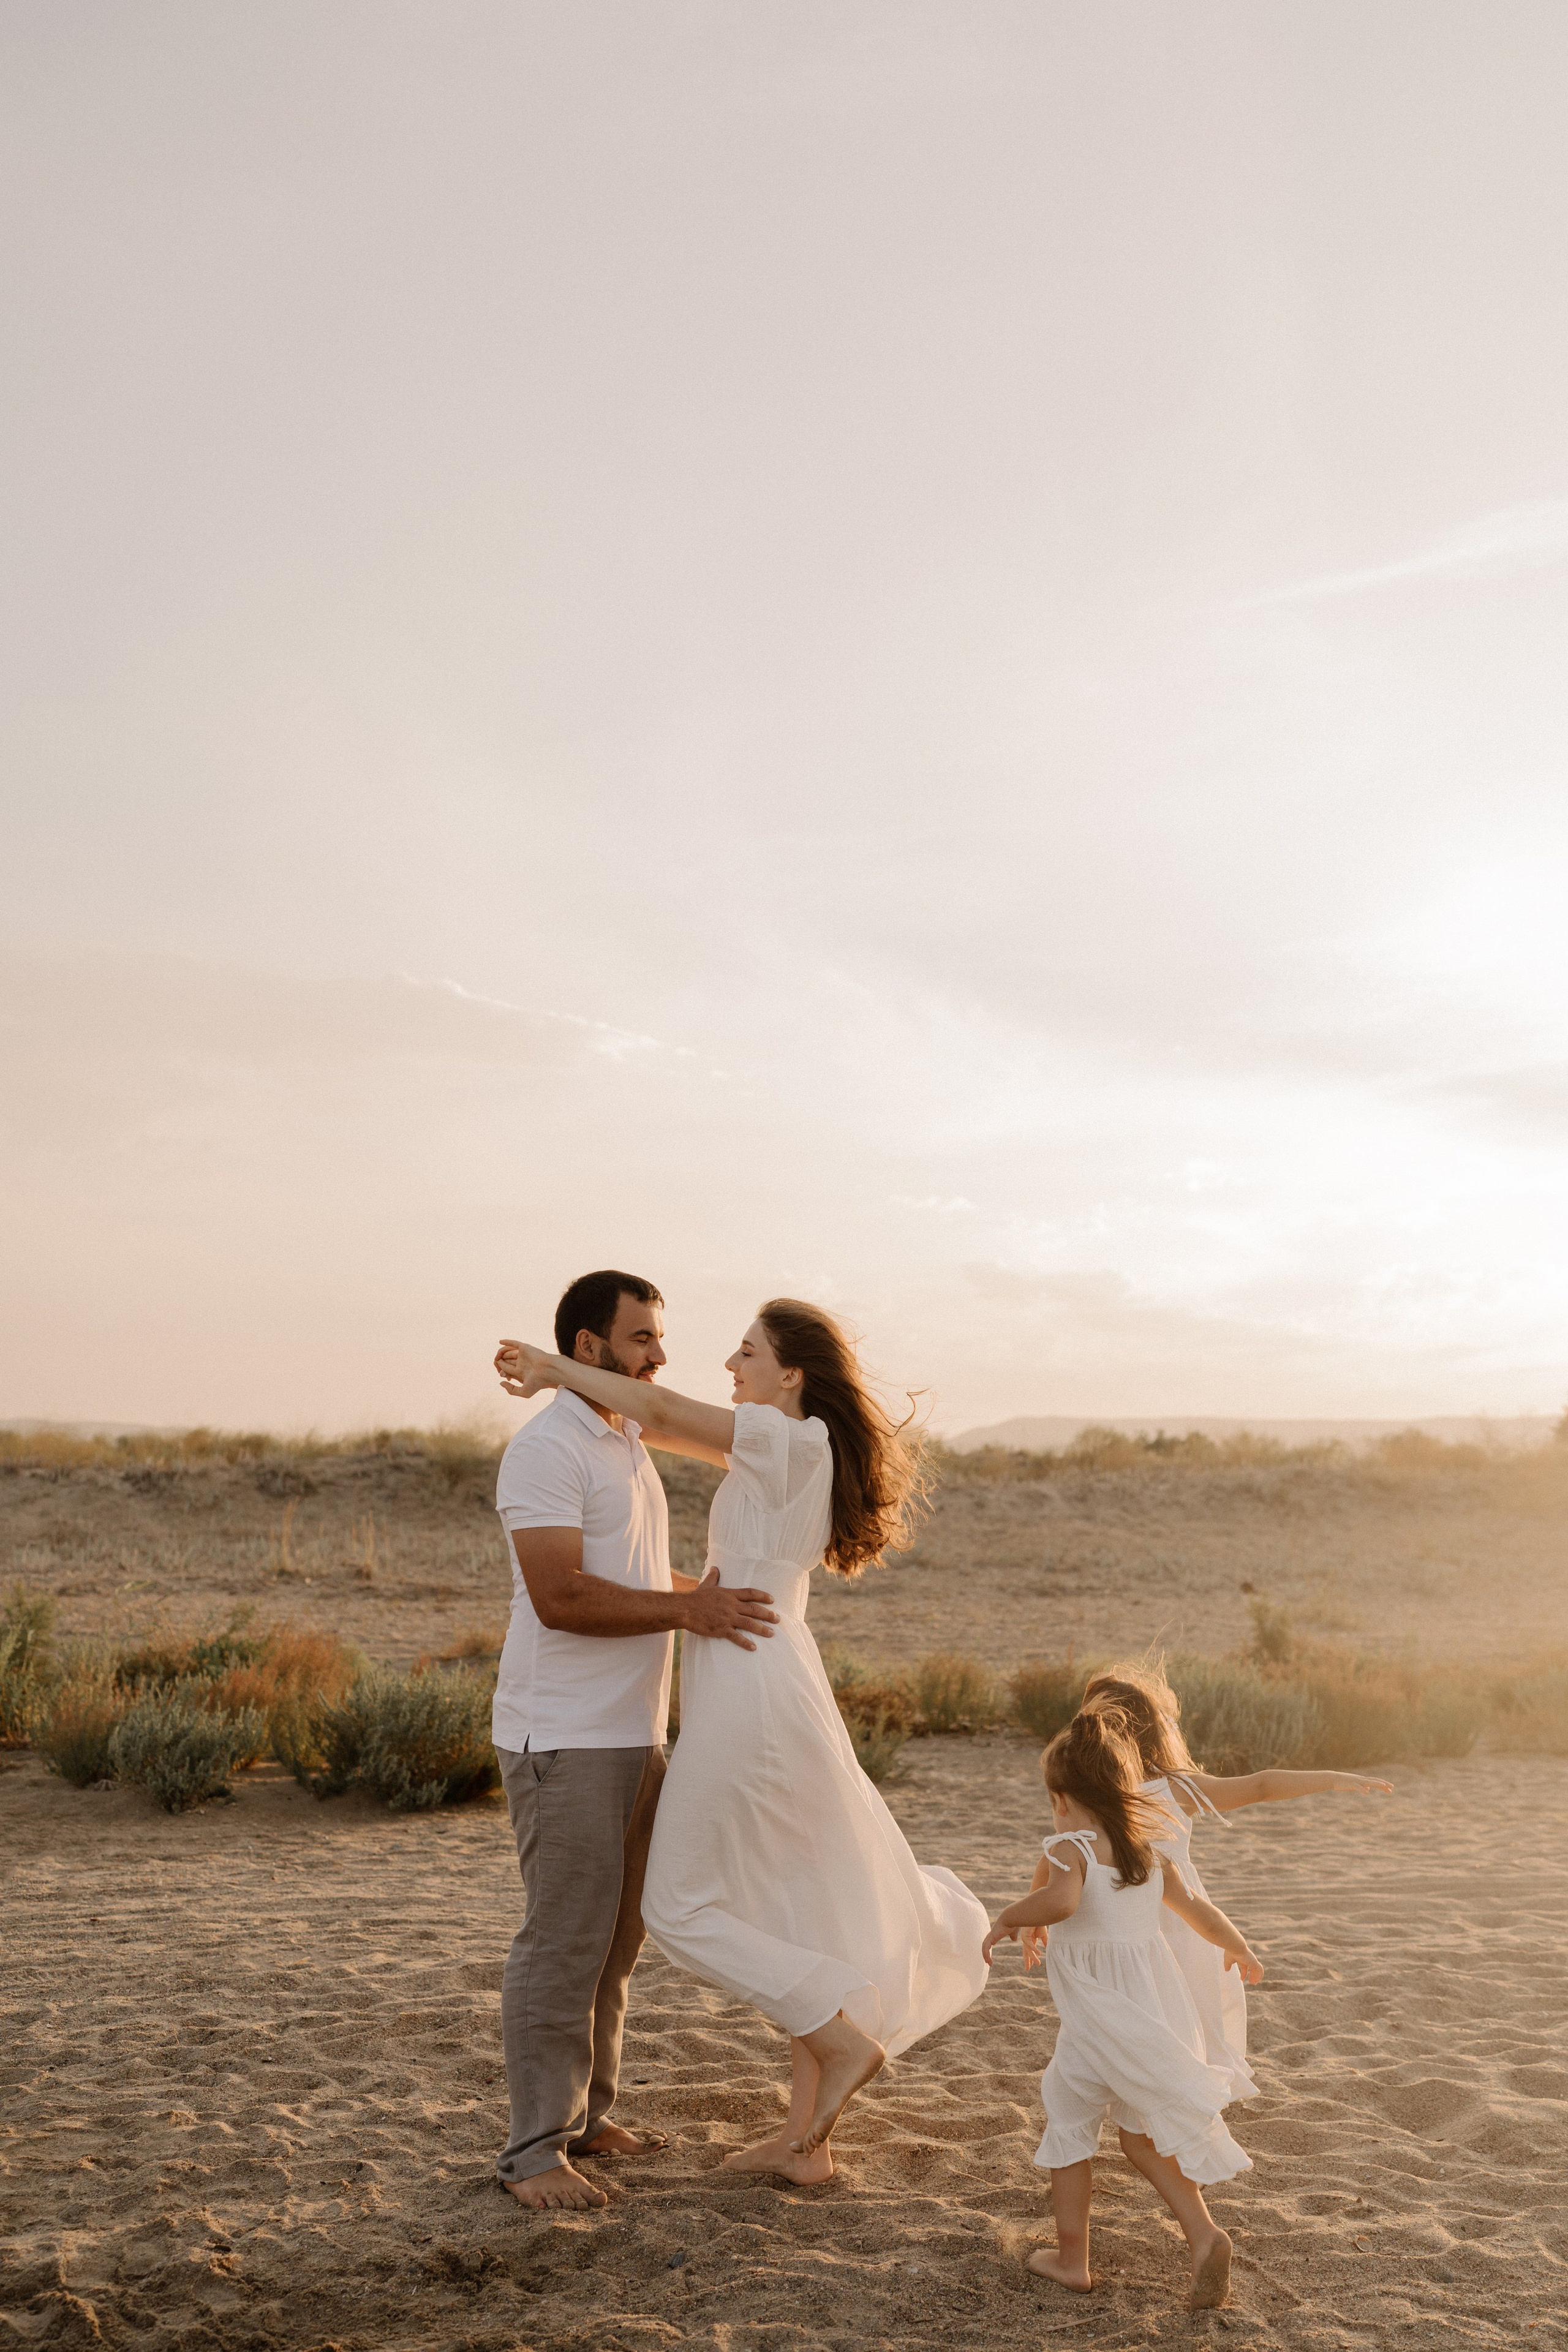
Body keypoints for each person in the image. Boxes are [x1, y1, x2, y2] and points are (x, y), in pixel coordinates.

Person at [497, 1298, 989, 2184]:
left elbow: (662, 1412)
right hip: (762, 1669)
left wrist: (555, 1367)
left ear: (792, 1373)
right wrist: (593, 1397)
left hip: (750, 1686)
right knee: (797, 1891)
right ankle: (808, 2146)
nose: (728, 1361)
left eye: (749, 1350)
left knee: (676, 1904)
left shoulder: (786, 1441)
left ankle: (839, 2040)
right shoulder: (788, 1445)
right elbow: (658, 1425)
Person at [491, 1269, 786, 2213]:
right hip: (563, 1737)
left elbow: (622, 1571)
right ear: (588, 1348)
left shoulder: (622, 1439)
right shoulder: (546, 1451)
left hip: (633, 1734)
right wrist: (688, 1609)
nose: (658, 1356)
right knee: (563, 1944)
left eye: (657, 1338)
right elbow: (562, 1596)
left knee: (617, 1946)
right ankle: (532, 2154)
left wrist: (695, 1589)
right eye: (640, 1341)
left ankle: (586, 2121)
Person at [982, 1708, 1261, 2311]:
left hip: (1099, 2022)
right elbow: (1198, 1913)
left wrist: (1010, 1918)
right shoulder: (1147, 1852)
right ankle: (1204, 2234)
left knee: (1069, 2114)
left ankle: (1071, 2260)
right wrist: (1237, 1947)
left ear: (1061, 1798)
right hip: (1154, 2018)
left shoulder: (1069, 1847)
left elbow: (1057, 1903)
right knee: (1140, 2140)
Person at [1078, 1664, 1391, 2103]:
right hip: (1180, 1917)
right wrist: (1333, 1779)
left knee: (1145, 2008)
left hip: (1123, 1916)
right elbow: (1261, 1785)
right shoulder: (1171, 1787)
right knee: (1185, 2010)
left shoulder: (1091, 1791)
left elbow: (1063, 1853)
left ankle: (1154, 2091)